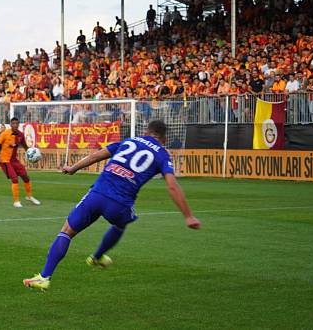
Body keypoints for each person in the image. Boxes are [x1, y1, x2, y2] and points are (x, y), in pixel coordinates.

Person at [23, 120, 201, 291]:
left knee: (67, 232)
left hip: (97, 194)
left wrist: (73, 168)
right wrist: (188, 216)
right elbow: (172, 185)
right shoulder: (162, 154)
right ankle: (97, 256)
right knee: (120, 224)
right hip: (120, 203)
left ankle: (44, 277)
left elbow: (96, 155)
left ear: (146, 132)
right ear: (163, 138)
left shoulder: (128, 141)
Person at [0, 118, 41, 208]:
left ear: (18, 124)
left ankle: (29, 196)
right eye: (13, 123)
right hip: (5, 160)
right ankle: (16, 201)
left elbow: (25, 146)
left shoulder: (20, 135)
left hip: (14, 160)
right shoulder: (5, 133)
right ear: (10, 125)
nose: (15, 125)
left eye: (16, 123)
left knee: (25, 176)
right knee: (15, 179)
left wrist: (32, 154)